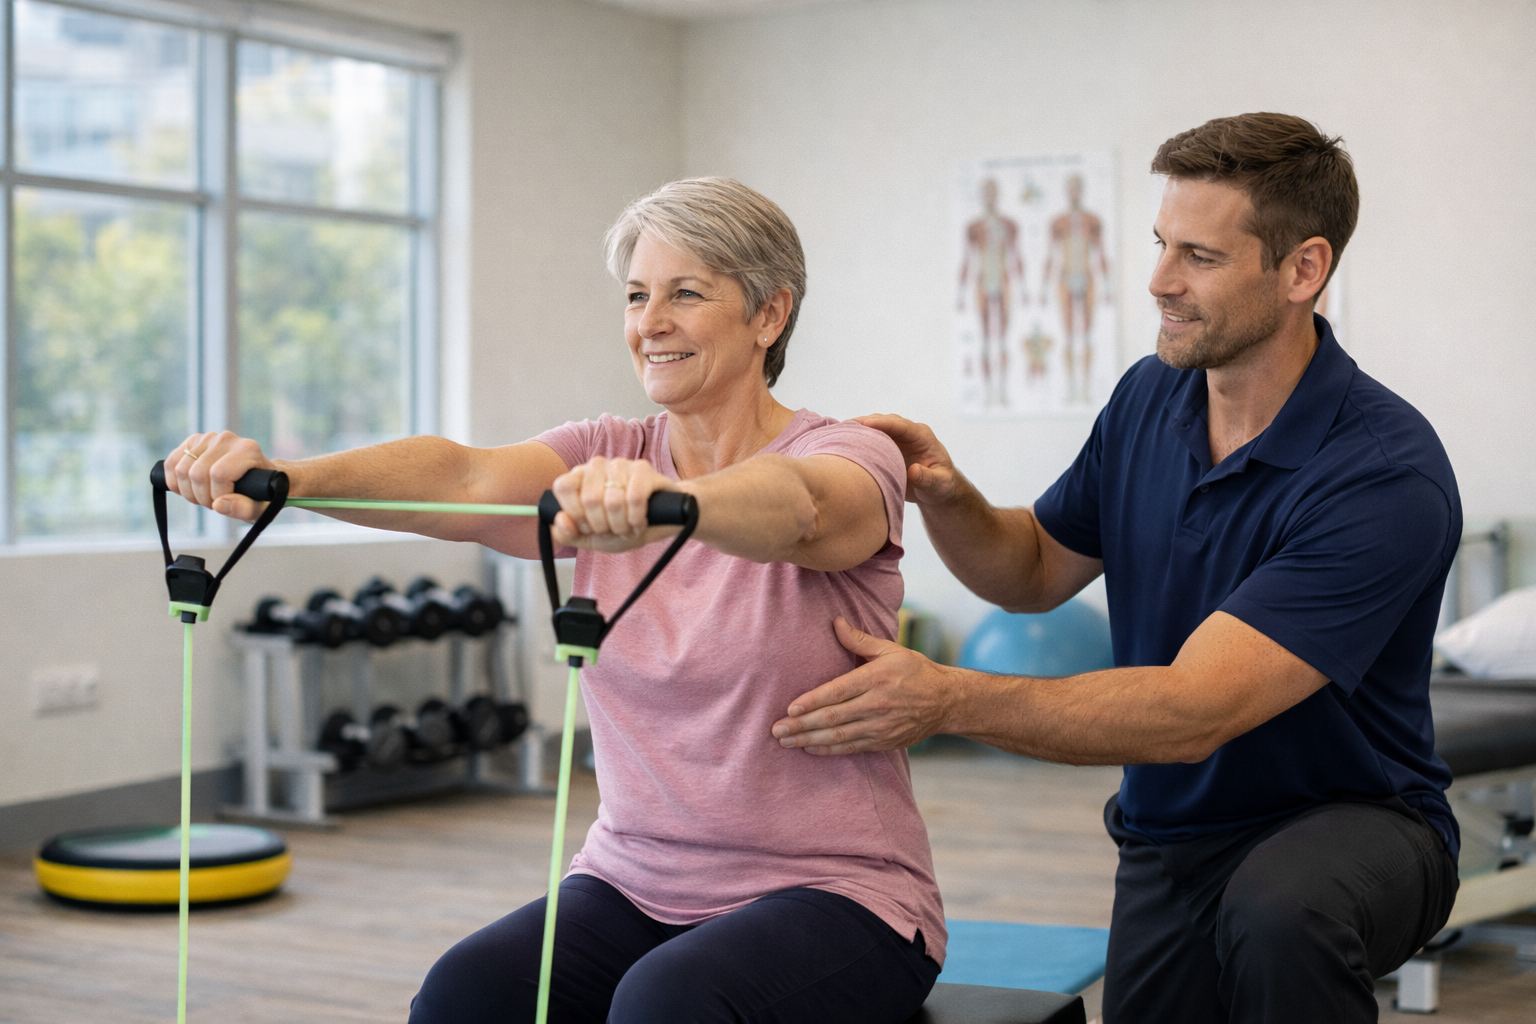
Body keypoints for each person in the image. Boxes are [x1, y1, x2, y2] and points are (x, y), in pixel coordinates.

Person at [165, 177, 944, 1024]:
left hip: (839, 894)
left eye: (687, 293)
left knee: (668, 1005)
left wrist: (670, 504)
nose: (650, 322)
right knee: (462, 997)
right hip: (634, 881)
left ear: (769, 315)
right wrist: (286, 483)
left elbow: (802, 508)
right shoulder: (601, 453)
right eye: (638, 295)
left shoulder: (852, 454)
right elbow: (463, 477)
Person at [772, 114, 1461, 1023]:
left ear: (1303, 270)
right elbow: (1032, 571)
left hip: (1357, 819)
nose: (1159, 281)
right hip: (1173, 831)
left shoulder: (1382, 472)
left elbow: (1192, 711)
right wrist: (948, 497)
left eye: (1200, 257)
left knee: (1282, 913)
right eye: (1160, 244)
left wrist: (945, 699)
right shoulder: (1150, 396)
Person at [1040, 172, 1109, 403]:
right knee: (1069, 335)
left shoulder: (1092, 221)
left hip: (1087, 277)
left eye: (1077, 188)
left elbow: (1101, 253)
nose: (1074, 192)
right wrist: (1043, 287)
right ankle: (1071, 388)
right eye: (1071, 188)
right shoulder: (1058, 222)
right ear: (1067, 191)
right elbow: (1051, 255)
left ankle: (1086, 389)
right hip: (1066, 277)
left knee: (1087, 335)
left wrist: (1107, 286)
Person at [958, 177, 1025, 406]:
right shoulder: (974, 228)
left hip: (1003, 280)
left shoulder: (1008, 226)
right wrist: (961, 293)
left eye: (992, 192)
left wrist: (1024, 288)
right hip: (983, 280)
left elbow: (1016, 256)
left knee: (1003, 339)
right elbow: (967, 259)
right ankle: (989, 393)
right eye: (986, 193)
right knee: (986, 339)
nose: (990, 197)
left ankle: (1003, 391)